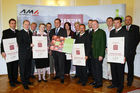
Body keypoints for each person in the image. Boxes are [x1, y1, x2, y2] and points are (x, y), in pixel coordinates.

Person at [107, 17, 126, 93]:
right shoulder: (111, 32)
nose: (115, 24)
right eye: (114, 23)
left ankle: (120, 86)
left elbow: (127, 45)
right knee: (113, 70)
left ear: (121, 23)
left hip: (120, 56)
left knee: (120, 71)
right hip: (112, 55)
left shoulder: (125, 32)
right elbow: (111, 43)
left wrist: (125, 56)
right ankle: (114, 83)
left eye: (117, 22)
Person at [1, 18, 21, 87]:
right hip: (8, 53)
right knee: (10, 67)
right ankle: (11, 81)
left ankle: (15, 79)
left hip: (16, 53)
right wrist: (2, 51)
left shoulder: (18, 32)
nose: (13, 25)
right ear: (9, 24)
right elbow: (2, 42)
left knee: (16, 66)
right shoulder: (5, 32)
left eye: (14, 23)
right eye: (12, 23)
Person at [122, 15, 140, 86]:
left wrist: (132, 48)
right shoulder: (122, 28)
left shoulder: (136, 28)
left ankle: (130, 80)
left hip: (131, 52)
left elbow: (137, 39)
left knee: (130, 66)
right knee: (121, 67)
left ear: (131, 20)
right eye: (126, 20)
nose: (127, 21)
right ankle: (121, 80)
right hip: (122, 52)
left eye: (129, 20)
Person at [49, 18, 67, 84]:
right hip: (54, 50)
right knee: (56, 63)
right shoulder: (52, 30)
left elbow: (64, 39)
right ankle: (57, 75)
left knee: (61, 63)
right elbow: (51, 40)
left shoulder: (63, 30)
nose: (56, 24)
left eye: (58, 22)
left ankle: (62, 77)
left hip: (61, 50)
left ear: (60, 23)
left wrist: (57, 40)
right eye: (55, 22)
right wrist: (50, 49)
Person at [17, 20, 33, 89]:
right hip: (23, 54)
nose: (27, 26)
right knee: (23, 69)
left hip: (29, 54)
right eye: (25, 24)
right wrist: (29, 45)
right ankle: (24, 83)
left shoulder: (30, 33)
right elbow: (20, 44)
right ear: (23, 25)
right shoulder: (20, 33)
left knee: (28, 68)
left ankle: (27, 80)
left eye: (28, 24)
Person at [90, 20, 106, 88]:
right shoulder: (91, 32)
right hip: (92, 54)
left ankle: (99, 83)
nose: (93, 25)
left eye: (95, 24)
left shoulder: (101, 32)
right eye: (92, 24)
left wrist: (101, 55)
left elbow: (103, 44)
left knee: (98, 69)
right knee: (93, 69)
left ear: (98, 25)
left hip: (98, 54)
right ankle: (95, 81)